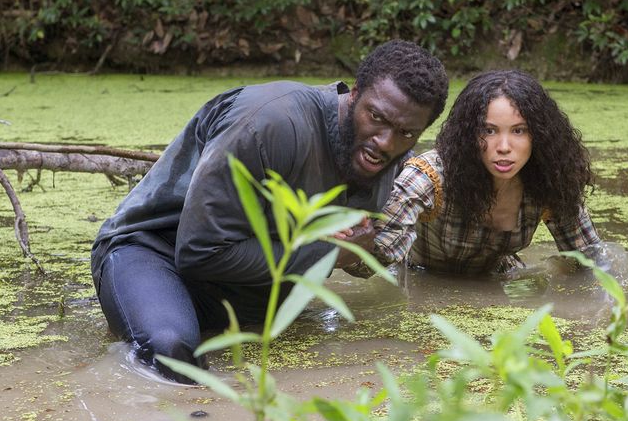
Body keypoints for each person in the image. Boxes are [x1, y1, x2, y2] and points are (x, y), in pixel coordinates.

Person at [90, 40, 448, 382]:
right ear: (353, 93)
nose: (385, 142)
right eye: (376, 117)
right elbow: (198, 251)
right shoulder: (269, 123)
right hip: (154, 254)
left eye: (405, 133)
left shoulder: (392, 156)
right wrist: (328, 253)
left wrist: (357, 246)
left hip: (248, 287)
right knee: (171, 353)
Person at [344, 70, 600, 278]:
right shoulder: (429, 177)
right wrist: (351, 240)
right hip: (421, 282)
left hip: (501, 283)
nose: (503, 147)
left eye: (519, 131)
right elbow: (369, 264)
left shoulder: (549, 181)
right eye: (488, 131)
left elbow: (592, 264)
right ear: (468, 134)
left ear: (540, 135)